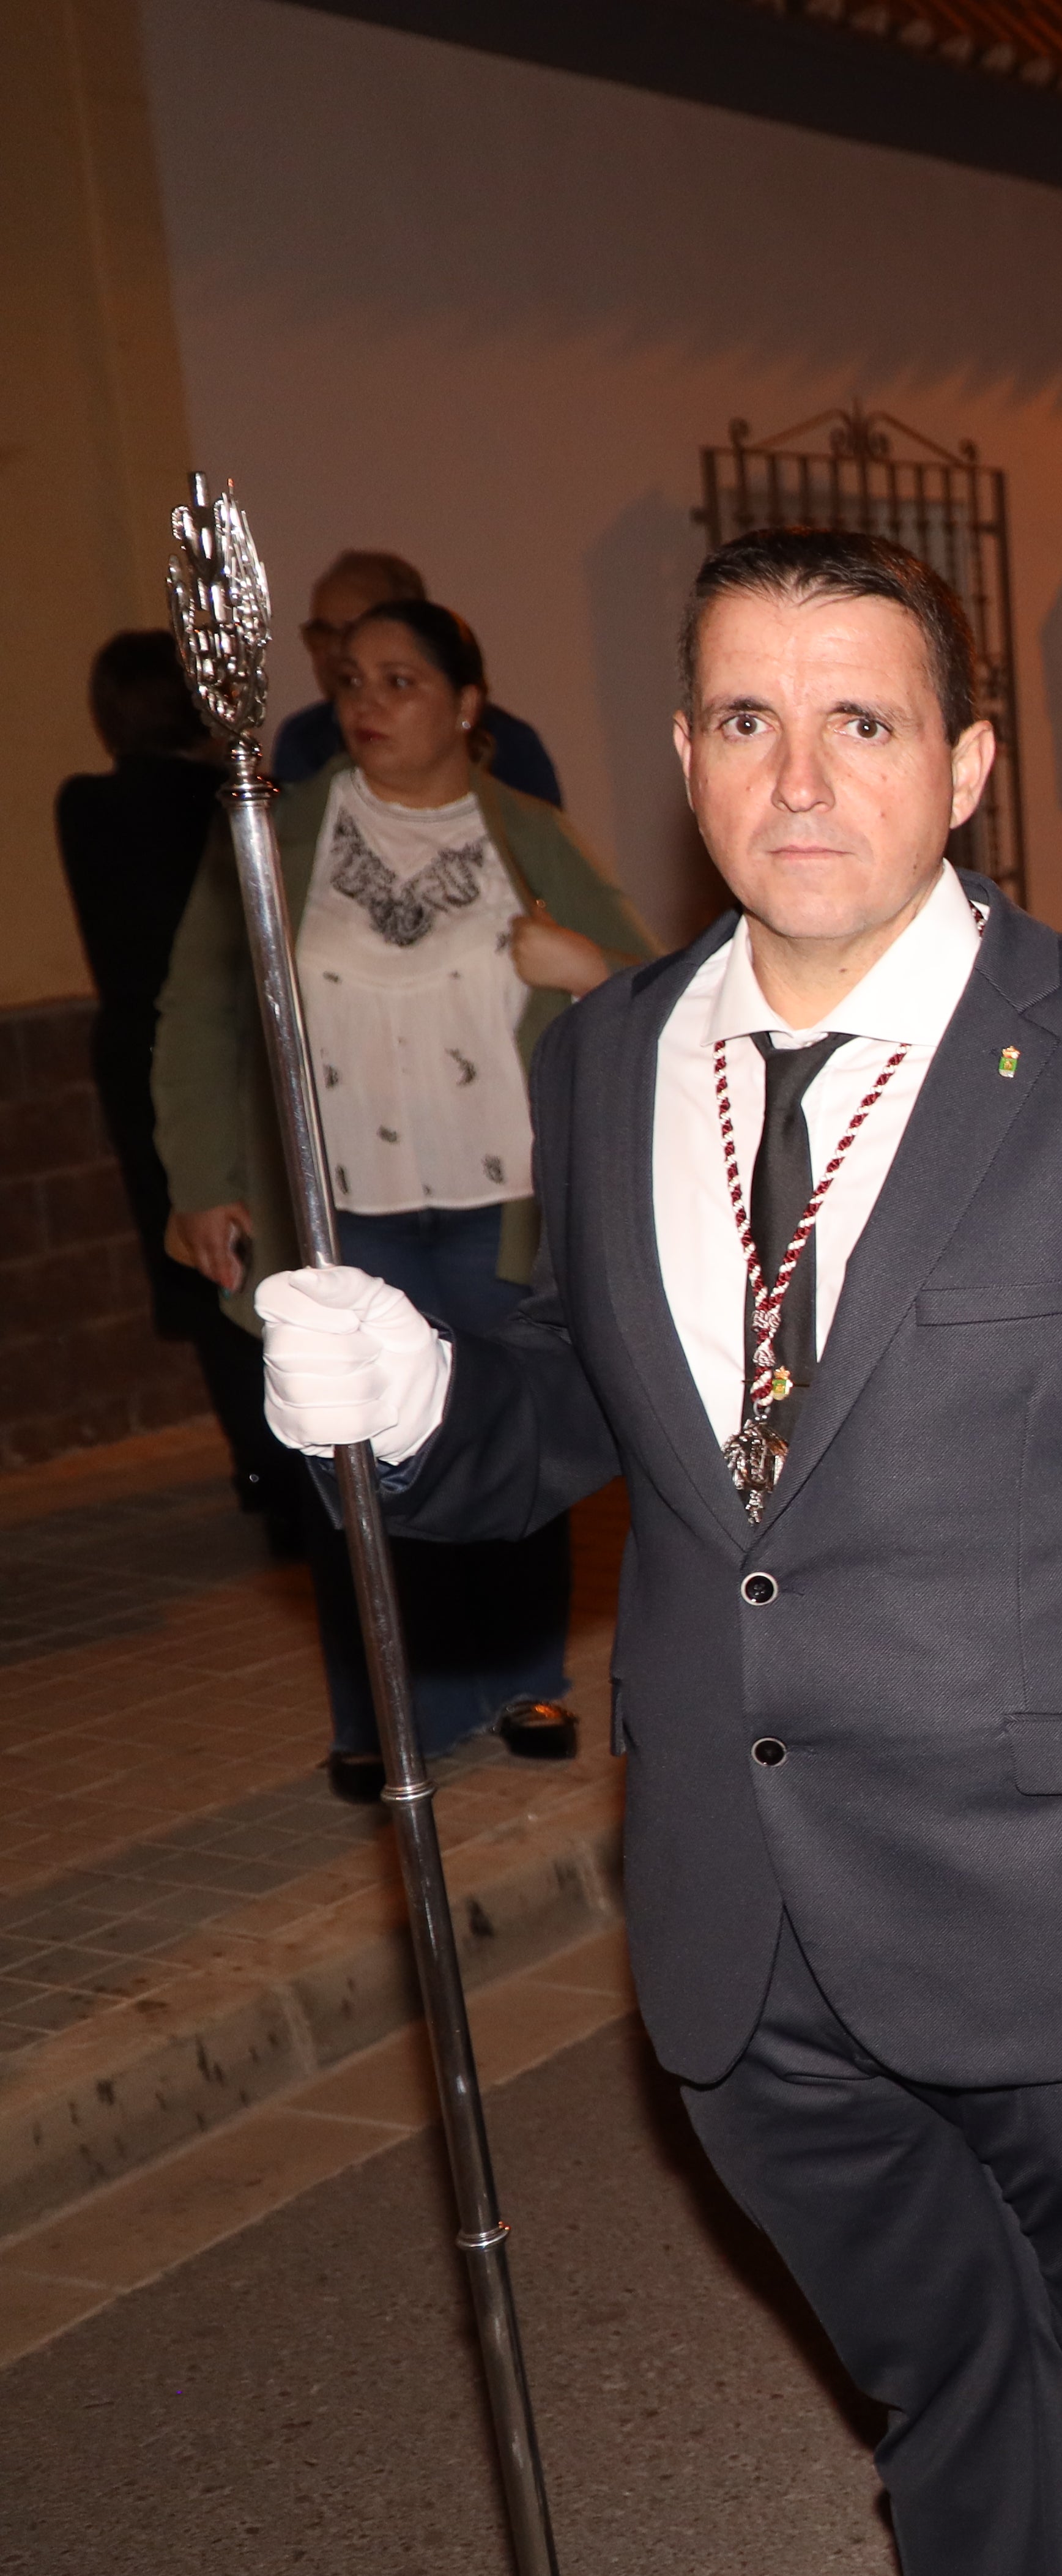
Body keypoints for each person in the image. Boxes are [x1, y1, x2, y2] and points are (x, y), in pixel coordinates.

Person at [251, 529, 1062, 2576]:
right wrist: (416, 1404)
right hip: (747, 1931)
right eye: (747, 719)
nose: (801, 776)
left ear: (963, 765)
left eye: (862, 720)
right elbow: (602, 1408)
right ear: (685, 755)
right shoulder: (613, 1056)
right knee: (941, 2379)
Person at [150, 598, 650, 1795]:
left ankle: (524, 1677)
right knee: (346, 1456)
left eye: (399, 681)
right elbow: (201, 1011)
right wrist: (206, 1178)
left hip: (498, 1200)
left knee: (505, 1436)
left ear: (466, 705)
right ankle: (380, 1712)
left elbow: (655, 995)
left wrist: (583, 968)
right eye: (351, 682)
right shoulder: (281, 833)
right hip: (342, 1210)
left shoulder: (527, 835)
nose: (365, 704)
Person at [55, 631, 300, 1539]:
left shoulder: (85, 804)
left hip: (131, 1050)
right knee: (251, 1252)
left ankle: (257, 1468)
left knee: (203, 1263)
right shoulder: (227, 800)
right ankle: (291, 1466)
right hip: (223, 1049)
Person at [267, 549, 562, 805]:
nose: (334, 650)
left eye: (352, 631)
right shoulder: (303, 739)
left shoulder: (512, 746)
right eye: (321, 633)